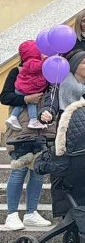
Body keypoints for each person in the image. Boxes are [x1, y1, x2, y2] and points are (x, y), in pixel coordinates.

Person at [41, 50, 85, 219]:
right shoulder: (60, 85)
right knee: (69, 181)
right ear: (74, 66)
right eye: (84, 62)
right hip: (69, 141)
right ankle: (69, 219)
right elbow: (49, 103)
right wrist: (45, 113)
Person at [2, 49, 51, 231]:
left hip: (40, 129)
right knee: (19, 170)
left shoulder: (47, 72)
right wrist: (26, 98)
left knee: (38, 171)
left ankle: (31, 212)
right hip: (19, 130)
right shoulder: (16, 71)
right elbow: (5, 97)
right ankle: (12, 214)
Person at [7, 41, 47, 130]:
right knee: (31, 103)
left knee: (21, 105)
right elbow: (5, 97)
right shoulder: (30, 63)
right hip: (26, 90)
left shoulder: (30, 65)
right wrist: (26, 99)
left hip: (23, 89)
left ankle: (13, 117)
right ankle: (33, 120)